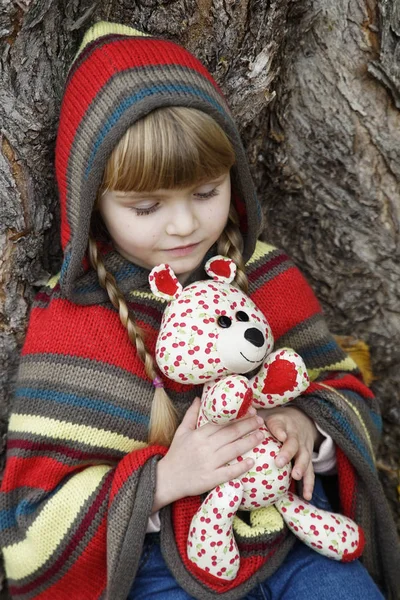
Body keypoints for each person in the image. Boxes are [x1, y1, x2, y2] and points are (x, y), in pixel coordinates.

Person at [0, 21, 398, 600]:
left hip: (290, 536)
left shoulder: (265, 275)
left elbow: (345, 390)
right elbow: (32, 520)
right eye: (146, 206)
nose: (184, 225)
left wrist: (308, 426)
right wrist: (163, 480)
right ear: (91, 201)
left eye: (206, 193)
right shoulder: (74, 318)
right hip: (157, 569)